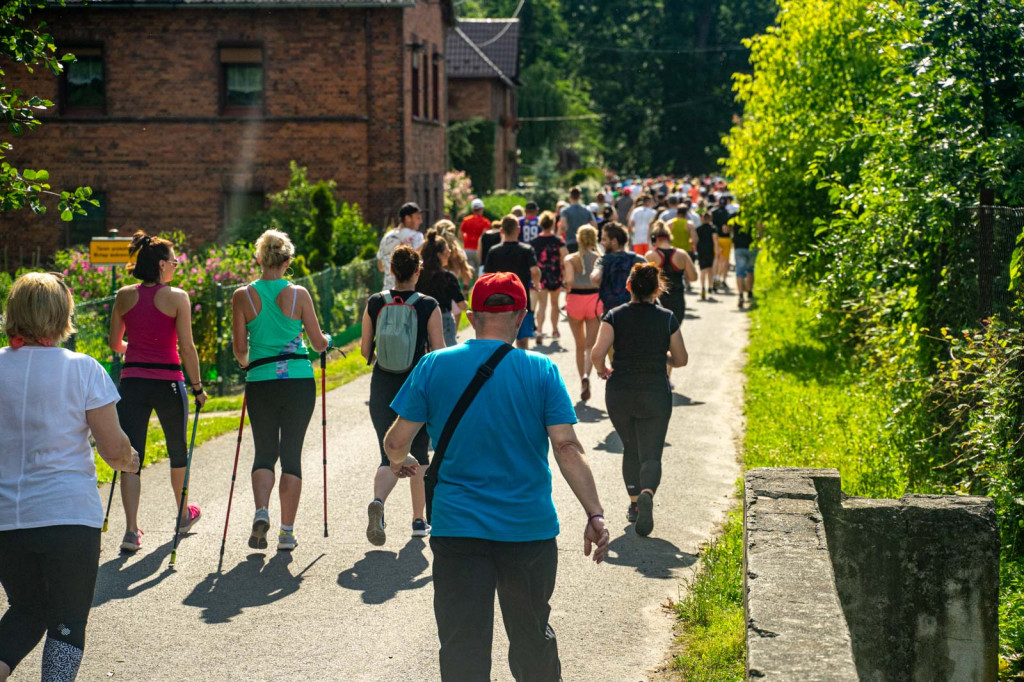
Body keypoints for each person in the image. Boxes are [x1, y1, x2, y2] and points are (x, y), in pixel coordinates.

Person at [383, 272, 610, 682]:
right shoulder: (542, 371)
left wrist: (401, 461)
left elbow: (397, 439)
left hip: (458, 529)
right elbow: (566, 448)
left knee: (463, 644)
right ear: (522, 315)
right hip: (528, 530)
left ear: (471, 315)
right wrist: (595, 514)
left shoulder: (434, 365)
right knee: (531, 638)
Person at [0, 272, 139, 682]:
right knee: (65, 623)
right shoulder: (82, 370)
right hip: (68, 518)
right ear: (62, 314)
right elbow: (113, 450)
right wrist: (131, 461)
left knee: (27, 609)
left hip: (7, 519)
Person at [231, 230, 332, 552]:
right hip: (298, 380)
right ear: (288, 261)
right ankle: (286, 533)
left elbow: (239, 348)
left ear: (258, 259)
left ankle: (262, 511)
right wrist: (327, 341)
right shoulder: (298, 294)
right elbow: (317, 344)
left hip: (261, 381)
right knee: (291, 454)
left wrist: (251, 363)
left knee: (263, 451)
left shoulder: (242, 295)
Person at [108, 231, 207, 553]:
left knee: (131, 457)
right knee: (178, 452)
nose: (177, 266)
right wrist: (198, 388)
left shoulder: (123, 295)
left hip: (132, 383)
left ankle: (131, 531)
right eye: (175, 261)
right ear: (163, 265)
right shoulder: (178, 297)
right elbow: (187, 348)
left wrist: (133, 350)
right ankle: (181, 514)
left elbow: (115, 344)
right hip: (169, 382)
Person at [591, 263, 688, 537]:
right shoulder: (667, 317)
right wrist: (662, 357)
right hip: (655, 391)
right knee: (651, 453)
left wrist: (602, 370)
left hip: (620, 391)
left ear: (628, 287)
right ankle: (647, 492)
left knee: (630, 447)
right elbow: (681, 359)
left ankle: (634, 505)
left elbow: (597, 353)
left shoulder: (614, 316)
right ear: (658, 289)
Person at [361, 245, 445, 544]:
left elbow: (364, 351)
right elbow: (438, 352)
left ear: (392, 271)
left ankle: (379, 504)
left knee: (389, 454)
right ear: (417, 271)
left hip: (382, 384)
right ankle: (419, 521)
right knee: (420, 454)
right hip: (417, 384)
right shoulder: (428, 304)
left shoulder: (375, 302)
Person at [484, 215, 541, 350]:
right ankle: (521, 369)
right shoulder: (527, 249)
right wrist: (537, 283)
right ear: (518, 229)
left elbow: (487, 276)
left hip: (499, 301)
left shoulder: (494, 251)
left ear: (502, 231)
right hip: (521, 299)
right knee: (522, 343)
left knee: (501, 341)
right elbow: (535, 271)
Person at [563, 226, 603, 402]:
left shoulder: (570, 258)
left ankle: (582, 380)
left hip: (575, 299)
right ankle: (587, 373)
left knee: (579, 345)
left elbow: (570, 281)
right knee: (590, 345)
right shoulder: (599, 259)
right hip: (594, 300)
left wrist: (566, 284)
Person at [417, 229, 468, 347]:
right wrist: (466, 304)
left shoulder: (417, 275)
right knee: (448, 356)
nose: (449, 253)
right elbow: (461, 305)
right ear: (439, 255)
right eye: (447, 250)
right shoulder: (448, 277)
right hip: (443, 320)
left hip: (420, 319)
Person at [591, 222, 645, 313]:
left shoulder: (604, 260)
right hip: (635, 311)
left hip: (611, 311)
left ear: (614, 241)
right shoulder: (638, 259)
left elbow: (595, 278)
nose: (601, 243)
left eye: (604, 239)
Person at [530, 211, 567, 343]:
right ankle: (555, 330)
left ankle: (539, 330)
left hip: (540, 276)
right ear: (552, 224)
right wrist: (564, 273)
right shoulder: (558, 241)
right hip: (555, 274)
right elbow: (564, 256)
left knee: (542, 305)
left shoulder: (534, 242)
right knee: (555, 304)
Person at [378, 203, 425, 289]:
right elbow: (420, 263)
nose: (421, 221)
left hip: (387, 293)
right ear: (407, 218)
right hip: (408, 293)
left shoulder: (386, 237)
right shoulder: (417, 236)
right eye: (418, 218)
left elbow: (381, 267)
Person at [559, 186, 596, 253]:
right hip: (585, 243)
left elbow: (563, 227)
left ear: (570, 197)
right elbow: (594, 225)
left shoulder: (565, 211)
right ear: (580, 196)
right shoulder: (587, 210)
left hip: (571, 242)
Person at [458, 199, 490, 271]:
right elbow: (484, 237)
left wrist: (466, 241)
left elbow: (460, 235)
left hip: (467, 249)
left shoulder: (466, 220)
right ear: (482, 209)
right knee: (478, 272)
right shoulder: (485, 222)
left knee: (468, 272)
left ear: (472, 209)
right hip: (479, 250)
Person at [695, 210, 719, 300]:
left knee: (702, 270)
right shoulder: (713, 228)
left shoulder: (698, 229)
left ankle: (702, 288)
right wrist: (717, 251)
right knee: (710, 270)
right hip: (710, 250)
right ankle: (710, 286)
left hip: (701, 251)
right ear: (710, 218)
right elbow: (715, 240)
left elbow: (695, 240)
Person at [711, 197, 732, 291]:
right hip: (726, 238)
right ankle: (723, 279)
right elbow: (729, 228)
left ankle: (715, 277)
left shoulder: (713, 212)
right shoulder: (728, 214)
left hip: (716, 238)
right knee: (725, 260)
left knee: (716, 259)